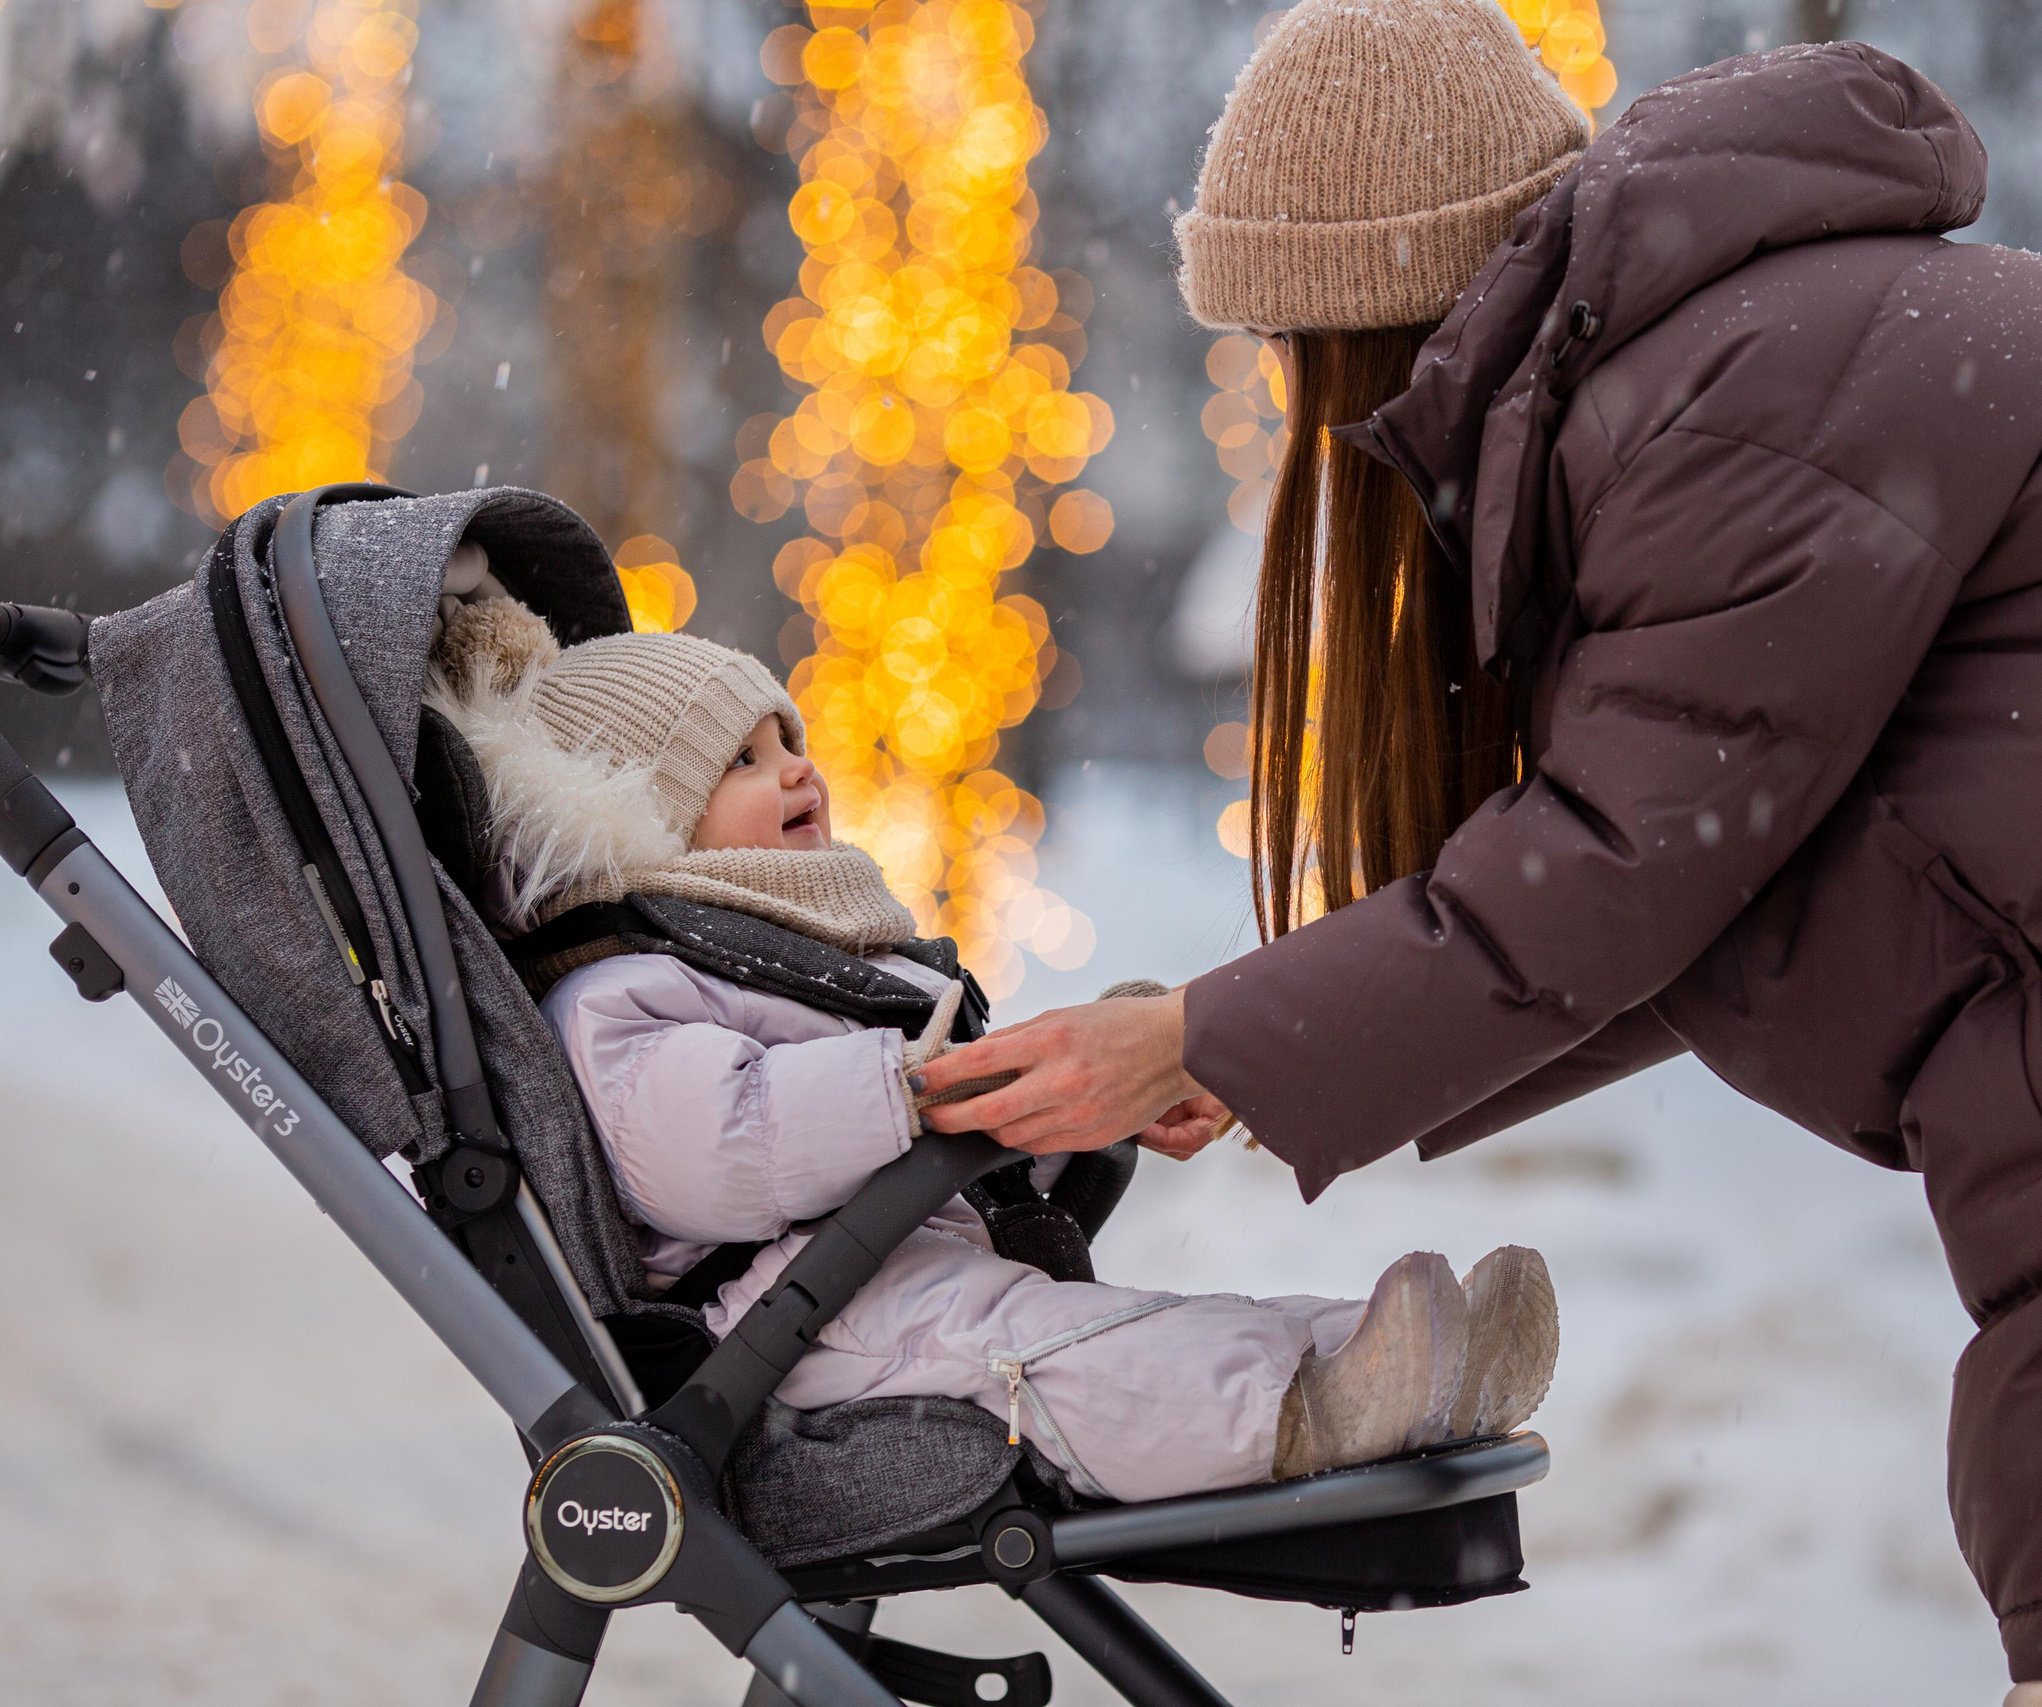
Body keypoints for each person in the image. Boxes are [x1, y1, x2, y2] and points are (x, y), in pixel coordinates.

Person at [908, 4, 2042, 1699]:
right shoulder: (1740, 355)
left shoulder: (1723, 404)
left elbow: (1624, 860)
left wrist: (1207, 1031)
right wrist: (1261, 1055)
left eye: (1285, 354)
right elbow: (1705, 881)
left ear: (1369, 314)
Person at [421, 580, 1559, 1505]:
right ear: (642, 813)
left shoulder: (779, 961)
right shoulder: (619, 991)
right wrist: (907, 1090)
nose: (798, 769)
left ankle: (1390, 1359)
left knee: (1121, 1325)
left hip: (883, 1273)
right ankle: (1312, 1409)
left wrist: (1074, 1090)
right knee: (1059, 1354)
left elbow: (899, 1122)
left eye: (791, 739)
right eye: (742, 760)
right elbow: (716, 1147)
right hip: (786, 1331)